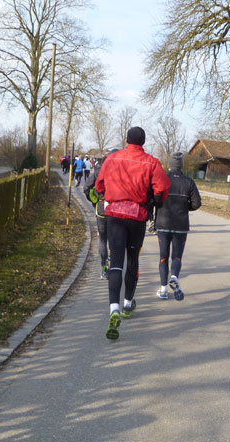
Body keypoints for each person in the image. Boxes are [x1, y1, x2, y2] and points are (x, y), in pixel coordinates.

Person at [95, 127, 170, 340]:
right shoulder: (152, 162)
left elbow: (99, 185)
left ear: (127, 139)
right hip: (137, 216)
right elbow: (162, 188)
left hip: (115, 215)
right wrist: (154, 200)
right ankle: (128, 303)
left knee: (116, 262)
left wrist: (110, 192)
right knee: (133, 259)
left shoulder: (112, 159)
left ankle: (114, 309)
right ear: (143, 141)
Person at [154, 152, 201, 301]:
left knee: (163, 256)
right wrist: (185, 208)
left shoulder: (162, 179)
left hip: (163, 223)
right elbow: (197, 203)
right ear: (181, 165)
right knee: (177, 256)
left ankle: (163, 290)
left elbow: (155, 198)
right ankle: (174, 276)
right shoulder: (189, 181)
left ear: (169, 165)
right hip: (181, 224)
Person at [84, 149, 118, 279]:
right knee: (115, 239)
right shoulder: (122, 170)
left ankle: (104, 267)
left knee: (103, 239)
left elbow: (86, 188)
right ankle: (114, 266)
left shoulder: (99, 169)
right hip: (117, 208)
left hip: (101, 206)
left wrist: (94, 200)